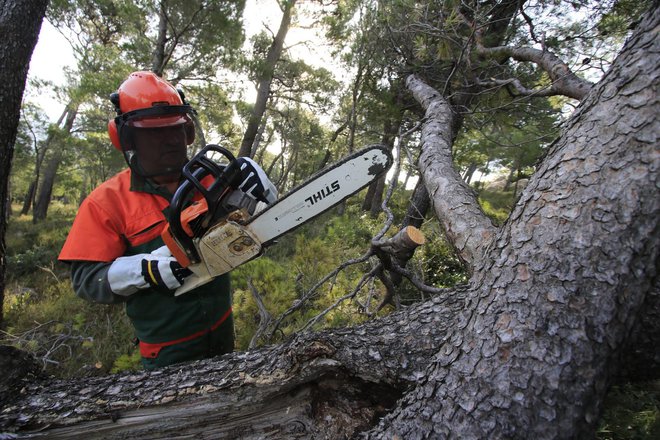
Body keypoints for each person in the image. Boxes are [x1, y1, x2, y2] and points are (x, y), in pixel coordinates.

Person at [59, 71, 276, 370]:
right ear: (127, 138)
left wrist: (261, 196)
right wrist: (143, 270)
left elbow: (262, 230)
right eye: (154, 132)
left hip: (222, 327)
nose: (170, 141)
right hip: (165, 348)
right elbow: (86, 280)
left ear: (187, 131)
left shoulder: (213, 178)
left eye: (176, 129)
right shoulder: (106, 202)